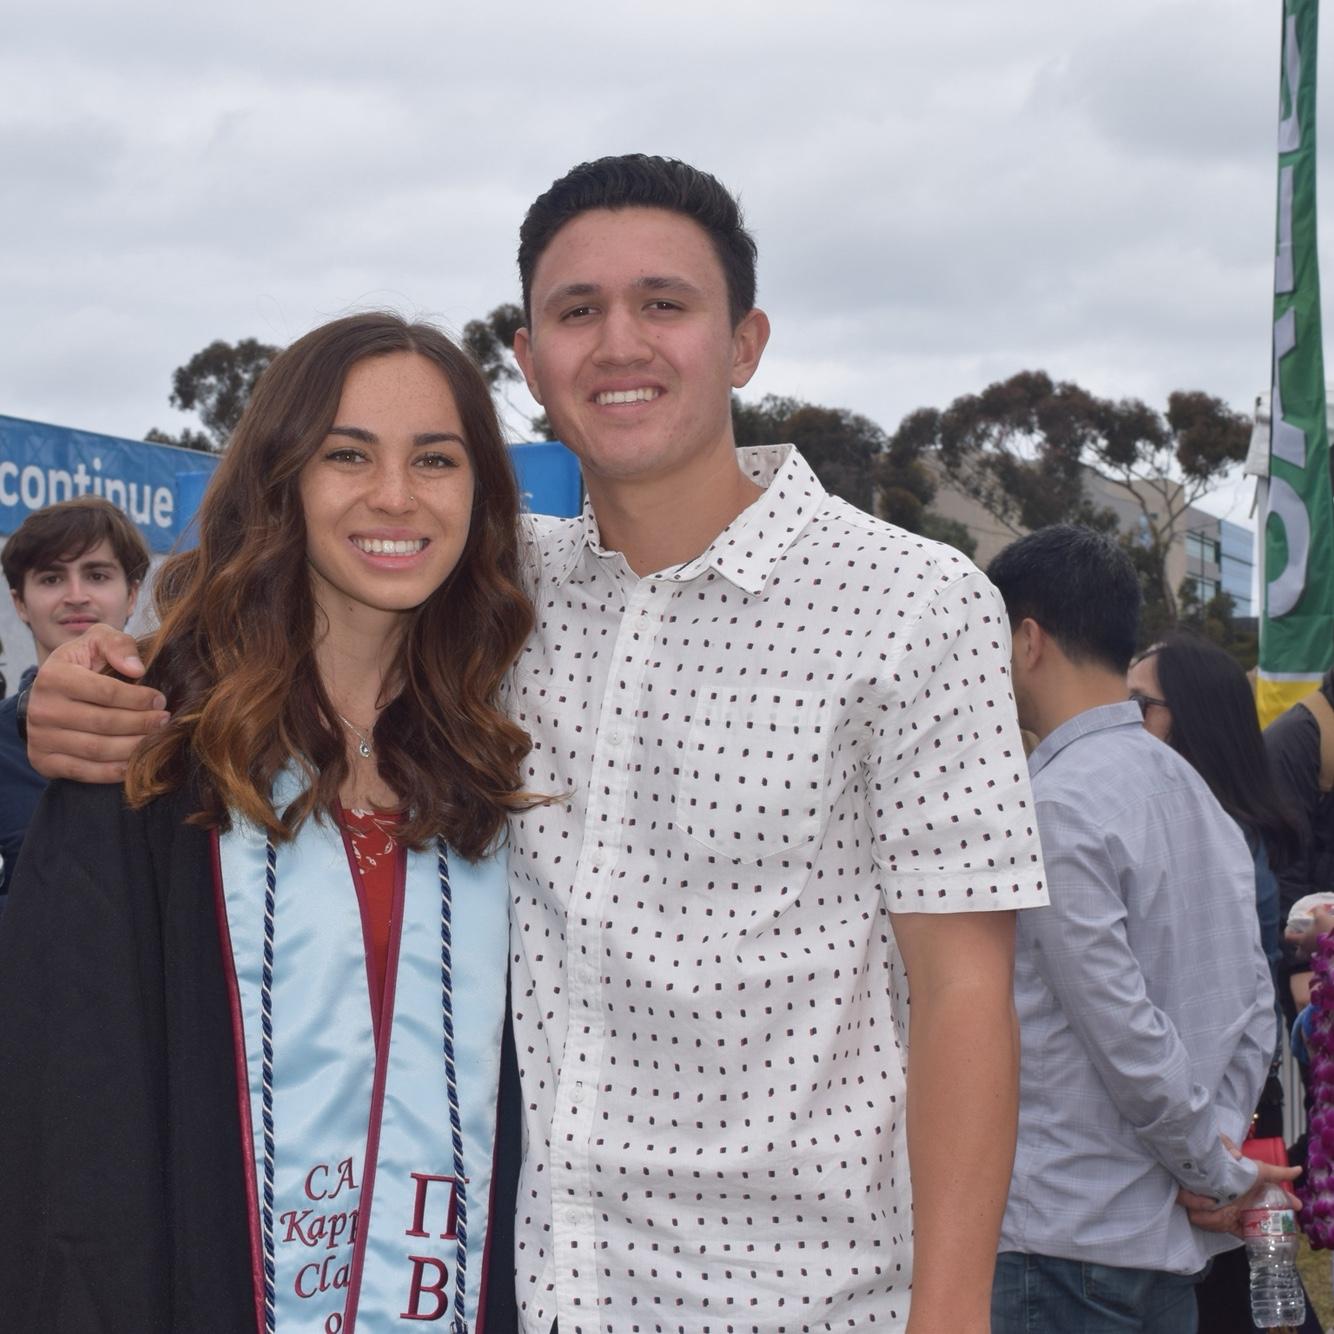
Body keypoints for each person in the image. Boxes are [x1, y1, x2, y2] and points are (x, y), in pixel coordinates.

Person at [25, 155, 1049, 1333]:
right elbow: (287, 629)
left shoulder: (910, 603)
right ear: (528, 362)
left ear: (745, 341)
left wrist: (952, 1310)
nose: (620, 344)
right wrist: (54, 700)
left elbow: (964, 986)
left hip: (805, 1295)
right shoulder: (503, 601)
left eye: (664, 304)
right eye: (577, 312)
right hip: (533, 1286)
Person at [0, 313, 532, 1332]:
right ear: (278, 478)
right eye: (346, 454)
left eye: (435, 458)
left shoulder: (498, 751)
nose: (394, 495)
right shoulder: (148, 747)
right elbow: (72, 1125)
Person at [987, 525, 1292, 1334]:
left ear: (1027, 639)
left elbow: (1125, 1035)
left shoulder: (1049, 806)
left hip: (1065, 1233)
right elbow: (1251, 1001)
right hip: (1157, 1237)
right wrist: (1216, 1157)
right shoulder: (1190, 791)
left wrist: (1209, 1166)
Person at [1127, 630, 1312, 1332]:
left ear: (1195, 717)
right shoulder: (1214, 828)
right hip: (1222, 1127)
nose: (1119, 717)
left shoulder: (1218, 841)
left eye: (1139, 702)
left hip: (1222, 1130)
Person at [0, 497, 149, 910]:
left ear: (132, 594)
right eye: (51, 579)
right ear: (19, 603)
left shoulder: (180, 732)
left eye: (97, 575)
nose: (76, 596)